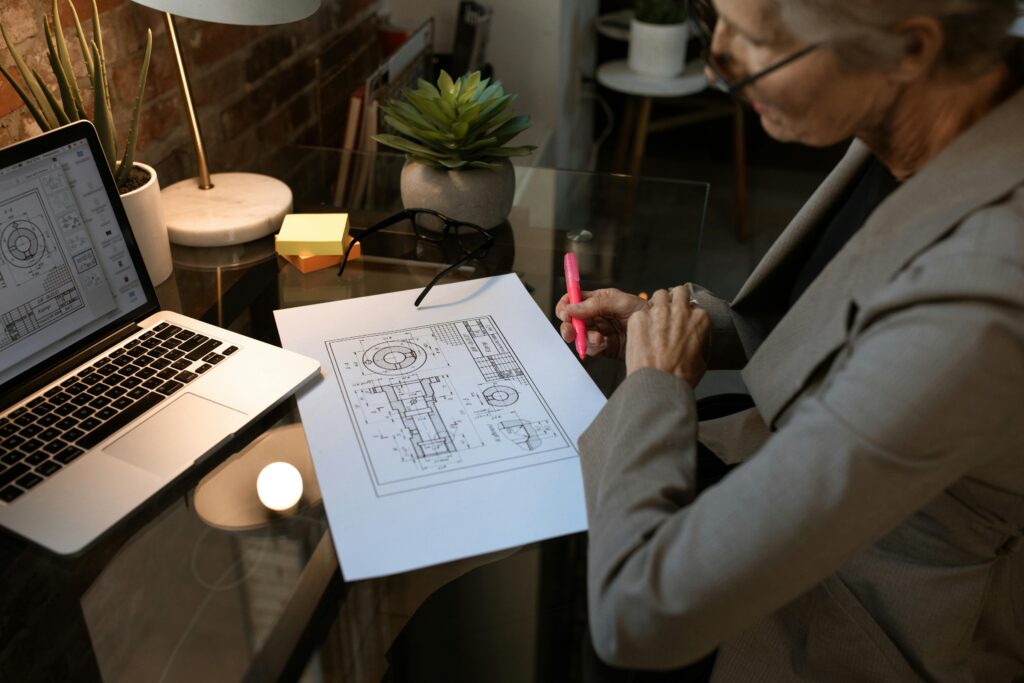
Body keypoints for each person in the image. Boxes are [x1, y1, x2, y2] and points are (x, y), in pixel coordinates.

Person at [556, 0, 1024, 679]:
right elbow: (854, 324)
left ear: (911, 49)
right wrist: (692, 333)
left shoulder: (984, 293)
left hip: (849, 615)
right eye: (711, 17)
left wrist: (656, 382)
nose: (719, 69)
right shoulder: (949, 103)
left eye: (753, 41)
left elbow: (640, 614)